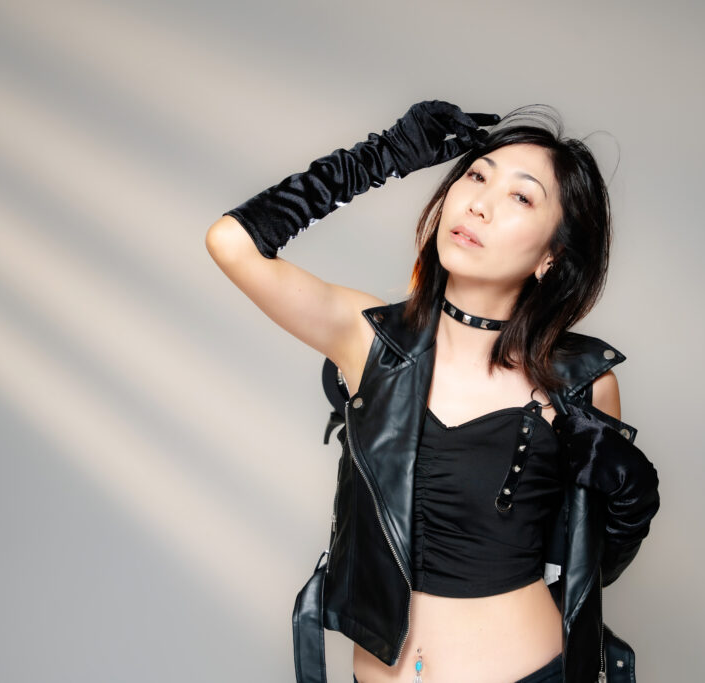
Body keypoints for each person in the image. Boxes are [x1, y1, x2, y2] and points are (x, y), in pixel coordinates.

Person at [206, 101, 660, 683]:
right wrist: (382, 156)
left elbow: (592, 564)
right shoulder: (368, 339)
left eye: (521, 197)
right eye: (476, 176)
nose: (479, 204)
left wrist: (630, 506)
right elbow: (231, 242)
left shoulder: (581, 385)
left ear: (553, 256)